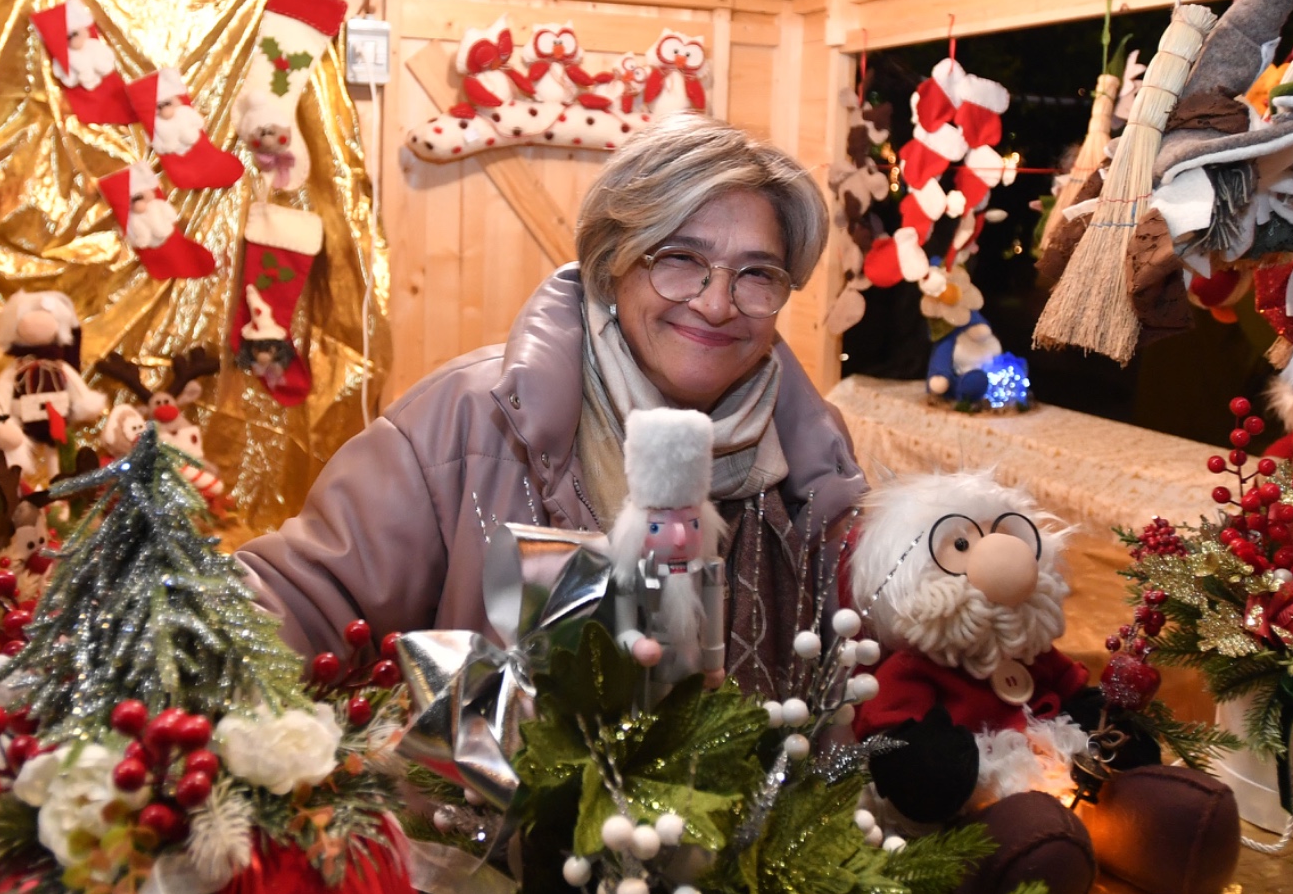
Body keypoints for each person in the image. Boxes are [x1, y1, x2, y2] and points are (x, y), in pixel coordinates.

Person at [239, 116, 865, 690]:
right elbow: (295, 602)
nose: (716, 303)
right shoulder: (468, 420)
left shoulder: (814, 454)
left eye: (757, 274)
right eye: (679, 259)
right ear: (610, 267)